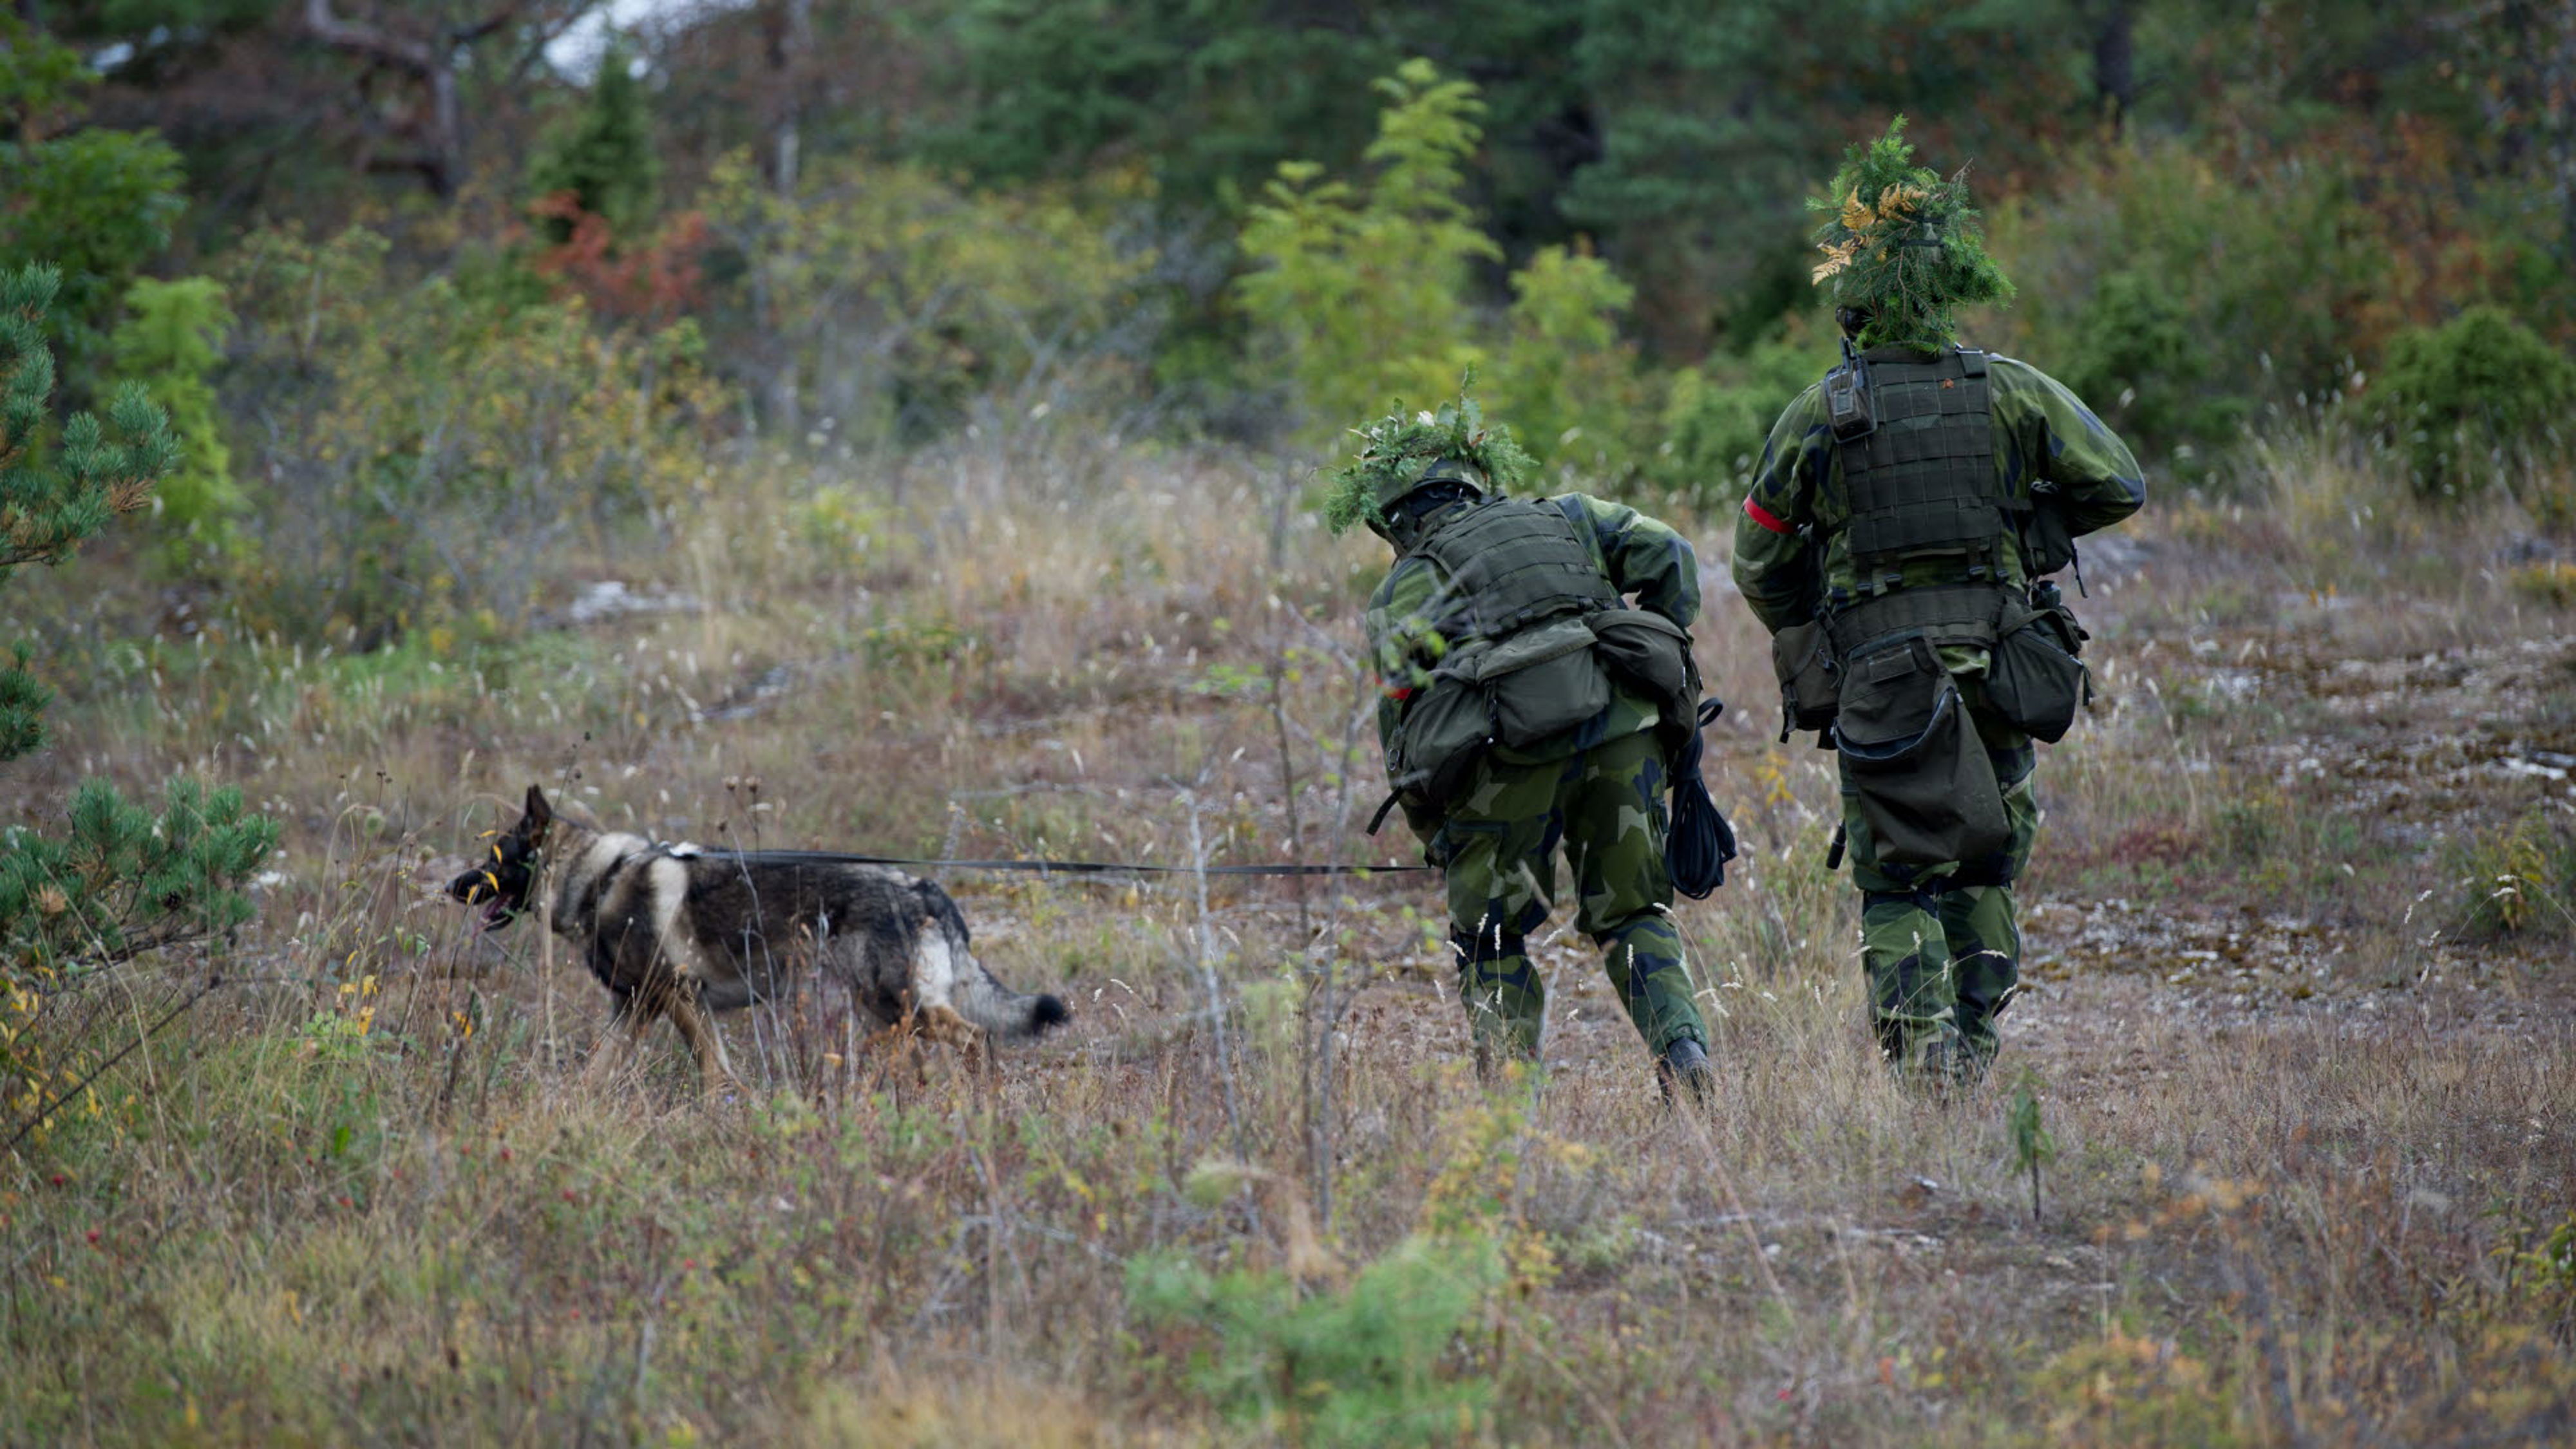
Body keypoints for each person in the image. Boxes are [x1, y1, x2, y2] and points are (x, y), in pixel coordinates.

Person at [1731, 118, 2145, 1089]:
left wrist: (1815, 623)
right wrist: (2030, 524)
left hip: (1882, 679)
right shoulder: (2011, 391)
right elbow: (2118, 484)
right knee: (1987, 857)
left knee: (1897, 875)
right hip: (2001, 664)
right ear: (1948, 293)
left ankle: (1922, 1062)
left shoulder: (1820, 413)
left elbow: (1758, 559)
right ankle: (1975, 1042)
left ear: (1860, 305)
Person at [1329, 386, 1716, 1099]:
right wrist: (1665, 650)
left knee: (1491, 939)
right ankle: (1684, 1052)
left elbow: (1407, 733)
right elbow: (1671, 555)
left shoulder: (1402, 591)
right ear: (1475, 480)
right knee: (1633, 913)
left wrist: (1439, 835)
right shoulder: (1568, 517)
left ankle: (1511, 1107)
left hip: (1505, 762)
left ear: (1393, 517)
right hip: (1622, 736)